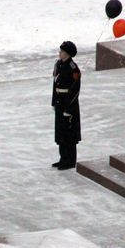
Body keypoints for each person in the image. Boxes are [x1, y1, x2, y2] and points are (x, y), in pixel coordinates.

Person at [51, 40, 81, 170]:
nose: (60, 53)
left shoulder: (73, 68)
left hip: (69, 104)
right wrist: (54, 102)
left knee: (69, 134)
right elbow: (55, 85)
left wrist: (69, 109)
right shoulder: (58, 65)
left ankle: (70, 160)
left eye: (62, 51)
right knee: (61, 132)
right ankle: (63, 158)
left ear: (68, 54)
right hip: (59, 103)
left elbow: (75, 91)